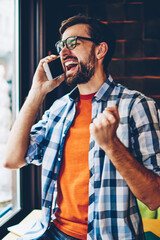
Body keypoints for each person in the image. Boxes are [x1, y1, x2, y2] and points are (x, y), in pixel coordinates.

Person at [3, 15, 160, 240]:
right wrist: (37, 91)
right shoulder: (58, 109)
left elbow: (154, 198)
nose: (63, 52)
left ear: (100, 50)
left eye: (73, 43)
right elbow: (12, 159)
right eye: (61, 46)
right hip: (52, 231)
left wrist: (111, 145)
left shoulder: (137, 106)